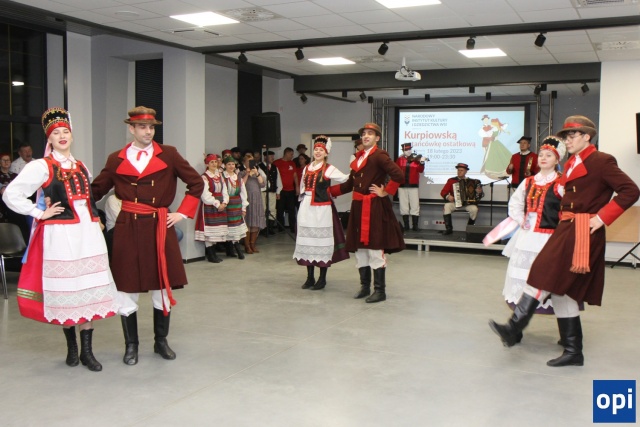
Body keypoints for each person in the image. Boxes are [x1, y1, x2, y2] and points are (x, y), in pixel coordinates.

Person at [489, 115, 640, 367]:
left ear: (586, 137)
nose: (567, 140)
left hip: (581, 230)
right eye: (566, 136)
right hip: (566, 227)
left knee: (544, 271)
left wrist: (601, 218)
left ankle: (514, 328)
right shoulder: (572, 162)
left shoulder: (601, 161)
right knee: (561, 288)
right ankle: (572, 349)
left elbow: (631, 190)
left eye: (572, 135)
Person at [3, 107, 120, 372]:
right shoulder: (41, 166)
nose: (62, 136)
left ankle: (88, 352)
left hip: (88, 234)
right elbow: (11, 194)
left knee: (87, 289)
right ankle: (72, 349)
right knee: (68, 290)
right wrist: (38, 212)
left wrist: (96, 218)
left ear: (71, 135)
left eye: (65, 131)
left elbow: (87, 199)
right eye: (56, 133)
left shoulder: (81, 165)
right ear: (49, 138)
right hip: (61, 234)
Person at [91, 106, 204, 366]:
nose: (148, 132)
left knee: (161, 288)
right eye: (142, 127)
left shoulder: (169, 154)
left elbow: (196, 183)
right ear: (131, 129)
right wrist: (76, 204)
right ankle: (131, 346)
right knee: (126, 288)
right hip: (128, 228)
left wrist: (182, 213)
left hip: (158, 226)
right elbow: (95, 191)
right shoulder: (116, 159)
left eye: (152, 127)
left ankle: (160, 341)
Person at [485, 136, 566, 341]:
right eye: (541, 155)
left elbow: (568, 209)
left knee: (553, 284)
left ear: (557, 159)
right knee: (522, 280)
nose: (543, 158)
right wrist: (521, 220)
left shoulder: (561, 183)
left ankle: (567, 336)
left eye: (549, 155)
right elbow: (515, 204)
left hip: (550, 239)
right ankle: (516, 331)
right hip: (527, 237)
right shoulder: (528, 181)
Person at [329, 123, 405, 303]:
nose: (366, 136)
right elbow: (350, 184)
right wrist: (328, 192)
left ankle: (380, 291)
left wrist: (385, 191)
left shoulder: (379, 155)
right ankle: (364, 287)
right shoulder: (358, 158)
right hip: (357, 206)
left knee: (375, 247)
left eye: (370, 133)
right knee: (360, 249)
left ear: (377, 138)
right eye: (364, 133)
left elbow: (399, 175)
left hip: (374, 206)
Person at [294, 135, 350, 290]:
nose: (318, 152)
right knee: (308, 241)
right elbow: (303, 187)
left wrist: (355, 171)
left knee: (321, 242)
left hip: (322, 209)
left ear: (326, 153)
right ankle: (310, 277)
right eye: (316, 149)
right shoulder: (307, 168)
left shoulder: (328, 168)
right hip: (307, 206)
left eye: (321, 150)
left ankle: (322, 279)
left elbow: (345, 179)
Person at [195, 154, 229, 263]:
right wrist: (217, 204)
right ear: (207, 164)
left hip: (221, 205)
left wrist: (225, 202)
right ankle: (211, 254)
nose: (214, 164)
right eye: (211, 162)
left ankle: (213, 253)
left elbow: (225, 190)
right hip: (210, 205)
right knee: (210, 231)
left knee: (217, 230)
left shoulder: (220, 176)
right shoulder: (204, 177)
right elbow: (205, 195)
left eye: (215, 162)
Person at [440, 163, 483, 235]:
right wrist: (448, 196)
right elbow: (443, 192)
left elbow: (479, 196)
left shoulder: (473, 182)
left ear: (466, 171)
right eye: (458, 170)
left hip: (467, 204)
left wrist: (479, 192)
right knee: (447, 206)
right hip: (455, 203)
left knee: (474, 209)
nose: (459, 172)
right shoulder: (451, 180)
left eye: (461, 170)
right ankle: (449, 229)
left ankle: (470, 228)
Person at [221, 155, 249, 260]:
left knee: (236, 228)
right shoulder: (222, 177)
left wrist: (244, 208)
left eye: (233, 164)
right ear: (225, 165)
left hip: (237, 205)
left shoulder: (238, 178)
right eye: (229, 164)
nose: (231, 166)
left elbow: (243, 194)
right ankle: (233, 250)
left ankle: (234, 250)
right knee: (228, 228)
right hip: (227, 205)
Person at [239, 152, 266, 254]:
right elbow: (241, 184)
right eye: (248, 161)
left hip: (256, 199)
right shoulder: (241, 173)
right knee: (247, 223)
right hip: (247, 199)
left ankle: (252, 244)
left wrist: (257, 173)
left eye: (252, 161)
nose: (250, 163)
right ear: (244, 162)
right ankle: (247, 246)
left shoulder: (256, 172)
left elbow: (262, 184)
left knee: (255, 223)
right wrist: (247, 173)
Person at [395, 142, 426, 231]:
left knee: (415, 205)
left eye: (409, 149)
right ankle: (406, 225)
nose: (408, 151)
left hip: (413, 186)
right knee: (403, 205)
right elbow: (396, 170)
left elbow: (420, 170)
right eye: (406, 150)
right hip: (402, 185)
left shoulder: (416, 159)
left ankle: (415, 226)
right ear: (403, 151)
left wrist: (422, 163)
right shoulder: (399, 160)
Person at [274, 147, 299, 233]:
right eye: (291, 154)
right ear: (286, 153)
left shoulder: (292, 163)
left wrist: (297, 187)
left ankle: (293, 227)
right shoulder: (277, 163)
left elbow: (295, 176)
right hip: (281, 190)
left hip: (291, 190)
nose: (292, 156)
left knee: (292, 209)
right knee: (280, 209)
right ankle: (281, 228)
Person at [258, 150, 278, 235]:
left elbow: (278, 179)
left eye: (273, 156)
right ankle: (263, 228)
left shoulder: (274, 167)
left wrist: (278, 191)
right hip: (262, 191)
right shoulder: (259, 167)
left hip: (272, 191)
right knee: (263, 209)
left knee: (272, 209)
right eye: (270, 156)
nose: (272, 158)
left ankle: (270, 227)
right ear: (265, 157)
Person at [0, 153, 17, 222]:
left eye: (8, 160)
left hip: (13, 204)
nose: (6, 162)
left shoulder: (15, 175)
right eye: (4, 160)